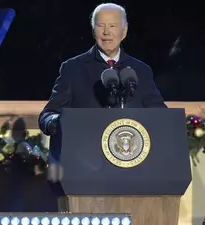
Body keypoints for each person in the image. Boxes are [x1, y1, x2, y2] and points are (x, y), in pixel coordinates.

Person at [38, 3, 167, 136]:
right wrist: (52, 122)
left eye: (112, 26)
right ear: (93, 30)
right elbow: (48, 114)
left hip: (130, 150)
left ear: (124, 31)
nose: (106, 32)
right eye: (100, 26)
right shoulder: (72, 68)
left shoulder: (141, 70)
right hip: (85, 149)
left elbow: (160, 114)